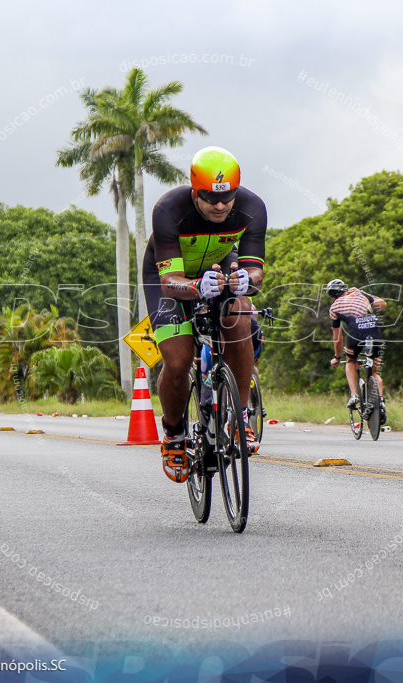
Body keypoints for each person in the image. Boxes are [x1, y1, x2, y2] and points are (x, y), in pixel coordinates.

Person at [143, 145, 268, 483]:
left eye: (227, 197)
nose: (220, 205)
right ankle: (173, 434)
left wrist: (246, 278)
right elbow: (169, 282)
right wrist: (197, 287)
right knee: (179, 359)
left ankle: (238, 417)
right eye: (210, 198)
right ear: (194, 191)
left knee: (240, 316)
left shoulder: (253, 208)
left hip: (220, 267)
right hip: (168, 281)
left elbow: (256, 273)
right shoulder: (169, 209)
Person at [325, 279, 387, 424]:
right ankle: (381, 402)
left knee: (351, 361)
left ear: (333, 296)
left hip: (356, 334)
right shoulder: (360, 294)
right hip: (374, 332)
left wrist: (337, 357)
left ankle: (354, 395)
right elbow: (382, 304)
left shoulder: (334, 307)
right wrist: (365, 294)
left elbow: (337, 338)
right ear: (345, 289)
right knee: (375, 373)